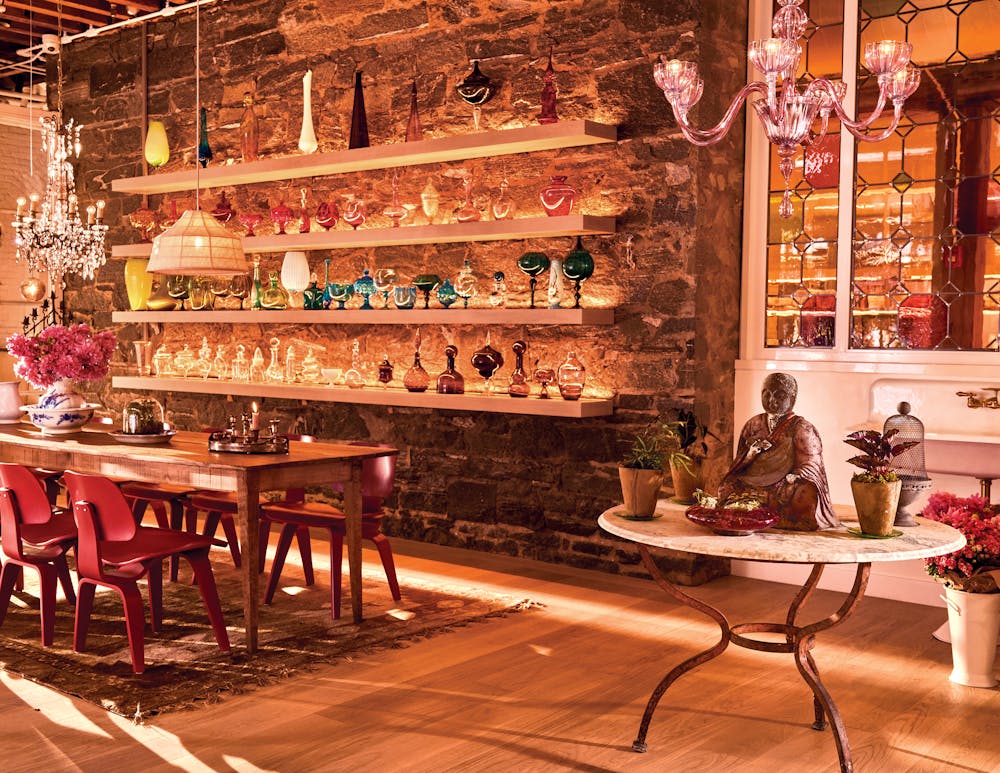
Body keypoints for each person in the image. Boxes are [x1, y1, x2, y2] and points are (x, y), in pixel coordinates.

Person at [718, 372, 838, 530]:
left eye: (779, 396)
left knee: (804, 495)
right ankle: (747, 516)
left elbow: (812, 463)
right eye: (766, 394)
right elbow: (739, 464)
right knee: (727, 488)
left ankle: (786, 521)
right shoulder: (753, 424)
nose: (772, 401)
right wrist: (751, 453)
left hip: (785, 481)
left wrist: (796, 475)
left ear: (792, 398)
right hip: (754, 480)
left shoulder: (802, 428)